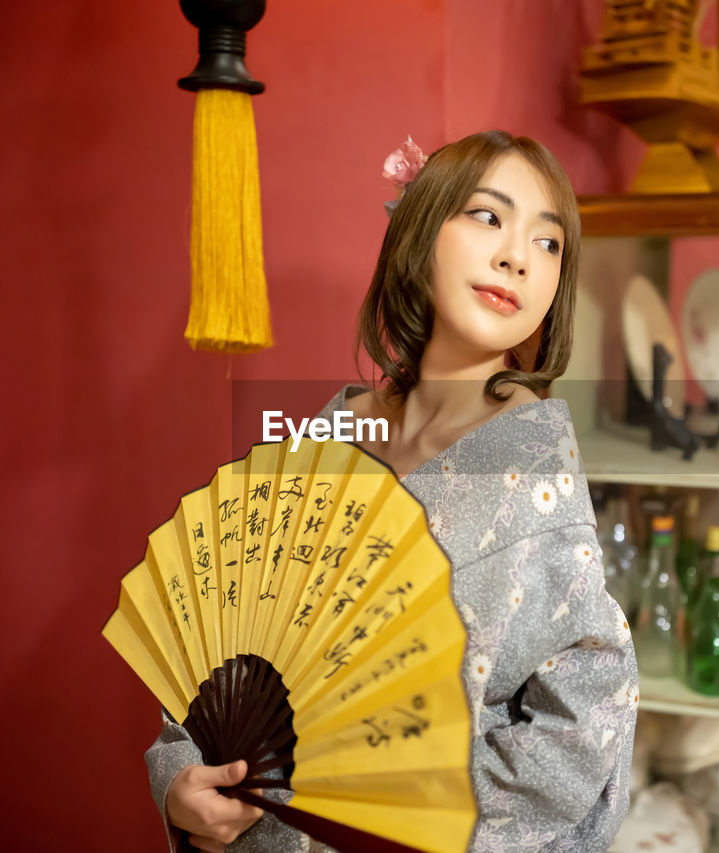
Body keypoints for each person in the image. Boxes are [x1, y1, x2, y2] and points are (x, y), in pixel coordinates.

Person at [145, 130, 639, 852]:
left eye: (549, 242)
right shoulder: (333, 427)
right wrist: (182, 774)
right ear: (419, 231)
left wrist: (403, 804)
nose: (517, 256)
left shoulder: (537, 478)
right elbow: (231, 621)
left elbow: (585, 721)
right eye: (488, 216)